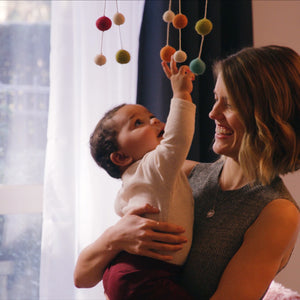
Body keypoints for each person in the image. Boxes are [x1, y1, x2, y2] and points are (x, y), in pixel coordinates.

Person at [74, 45, 300, 300]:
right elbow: (82, 277)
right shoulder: (181, 173)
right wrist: (115, 236)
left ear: (267, 117)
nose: (213, 113)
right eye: (216, 99)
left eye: (230, 105)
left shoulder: (277, 211)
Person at [85, 57, 196, 299]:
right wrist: (181, 94)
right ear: (122, 156)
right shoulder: (154, 165)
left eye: (151, 116)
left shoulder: (134, 180)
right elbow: (178, 138)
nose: (154, 121)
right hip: (145, 275)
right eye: (138, 123)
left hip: (125, 272)